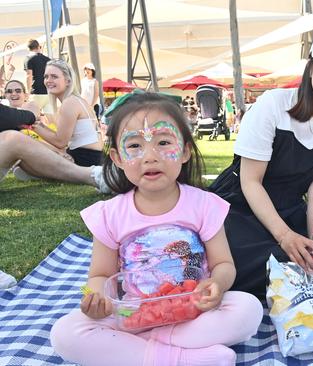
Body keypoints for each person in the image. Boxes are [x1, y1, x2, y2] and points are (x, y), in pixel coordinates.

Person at [50, 93, 263, 366]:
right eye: (135, 146)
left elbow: (224, 264)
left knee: (248, 309)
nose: (150, 157)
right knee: (66, 334)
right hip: (133, 315)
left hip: (193, 311)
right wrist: (96, 299)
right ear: (116, 157)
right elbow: (99, 276)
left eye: (163, 142)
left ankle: (142, 352)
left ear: (185, 151)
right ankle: (184, 358)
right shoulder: (109, 214)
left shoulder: (204, 205)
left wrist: (217, 284)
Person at [208, 17, 313, 298]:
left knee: (302, 260)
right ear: (311, 66)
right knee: (259, 261)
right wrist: (285, 237)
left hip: (288, 210)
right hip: (239, 206)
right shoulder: (273, 105)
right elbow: (251, 182)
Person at [30, 59, 103, 167]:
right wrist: (38, 125)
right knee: (33, 143)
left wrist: (32, 125)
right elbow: (60, 139)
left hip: (85, 159)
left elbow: (60, 142)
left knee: (28, 142)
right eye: (46, 76)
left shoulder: (70, 103)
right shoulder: (75, 100)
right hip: (91, 157)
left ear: (68, 81)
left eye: (54, 76)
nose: (48, 80)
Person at [24, 39, 51, 112]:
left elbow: (29, 75)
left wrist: (28, 92)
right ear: (39, 47)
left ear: (28, 48)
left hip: (36, 93)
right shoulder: (48, 59)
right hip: (49, 93)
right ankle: (52, 124)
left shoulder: (28, 59)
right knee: (50, 118)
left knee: (34, 116)